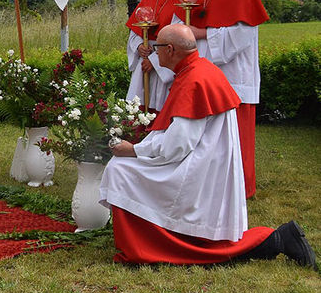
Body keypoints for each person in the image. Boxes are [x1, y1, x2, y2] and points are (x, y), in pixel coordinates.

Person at [100, 24, 315, 268]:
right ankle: (276, 240)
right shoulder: (199, 69)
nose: (153, 52)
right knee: (124, 167)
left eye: (157, 47)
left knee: (120, 170)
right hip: (209, 162)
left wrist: (134, 150)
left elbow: (177, 146)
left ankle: (144, 248)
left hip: (199, 169)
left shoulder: (193, 80)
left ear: (169, 50)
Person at [186, 0, 268, 198]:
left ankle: (240, 188)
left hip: (234, 74)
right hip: (204, 72)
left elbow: (240, 38)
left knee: (236, 135)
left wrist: (201, 34)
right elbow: (183, 23)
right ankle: (208, 183)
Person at [125, 0, 185, 111]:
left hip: (166, 65)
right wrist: (139, 46)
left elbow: (181, 39)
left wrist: (155, 60)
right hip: (145, 62)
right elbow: (134, 32)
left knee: (163, 111)